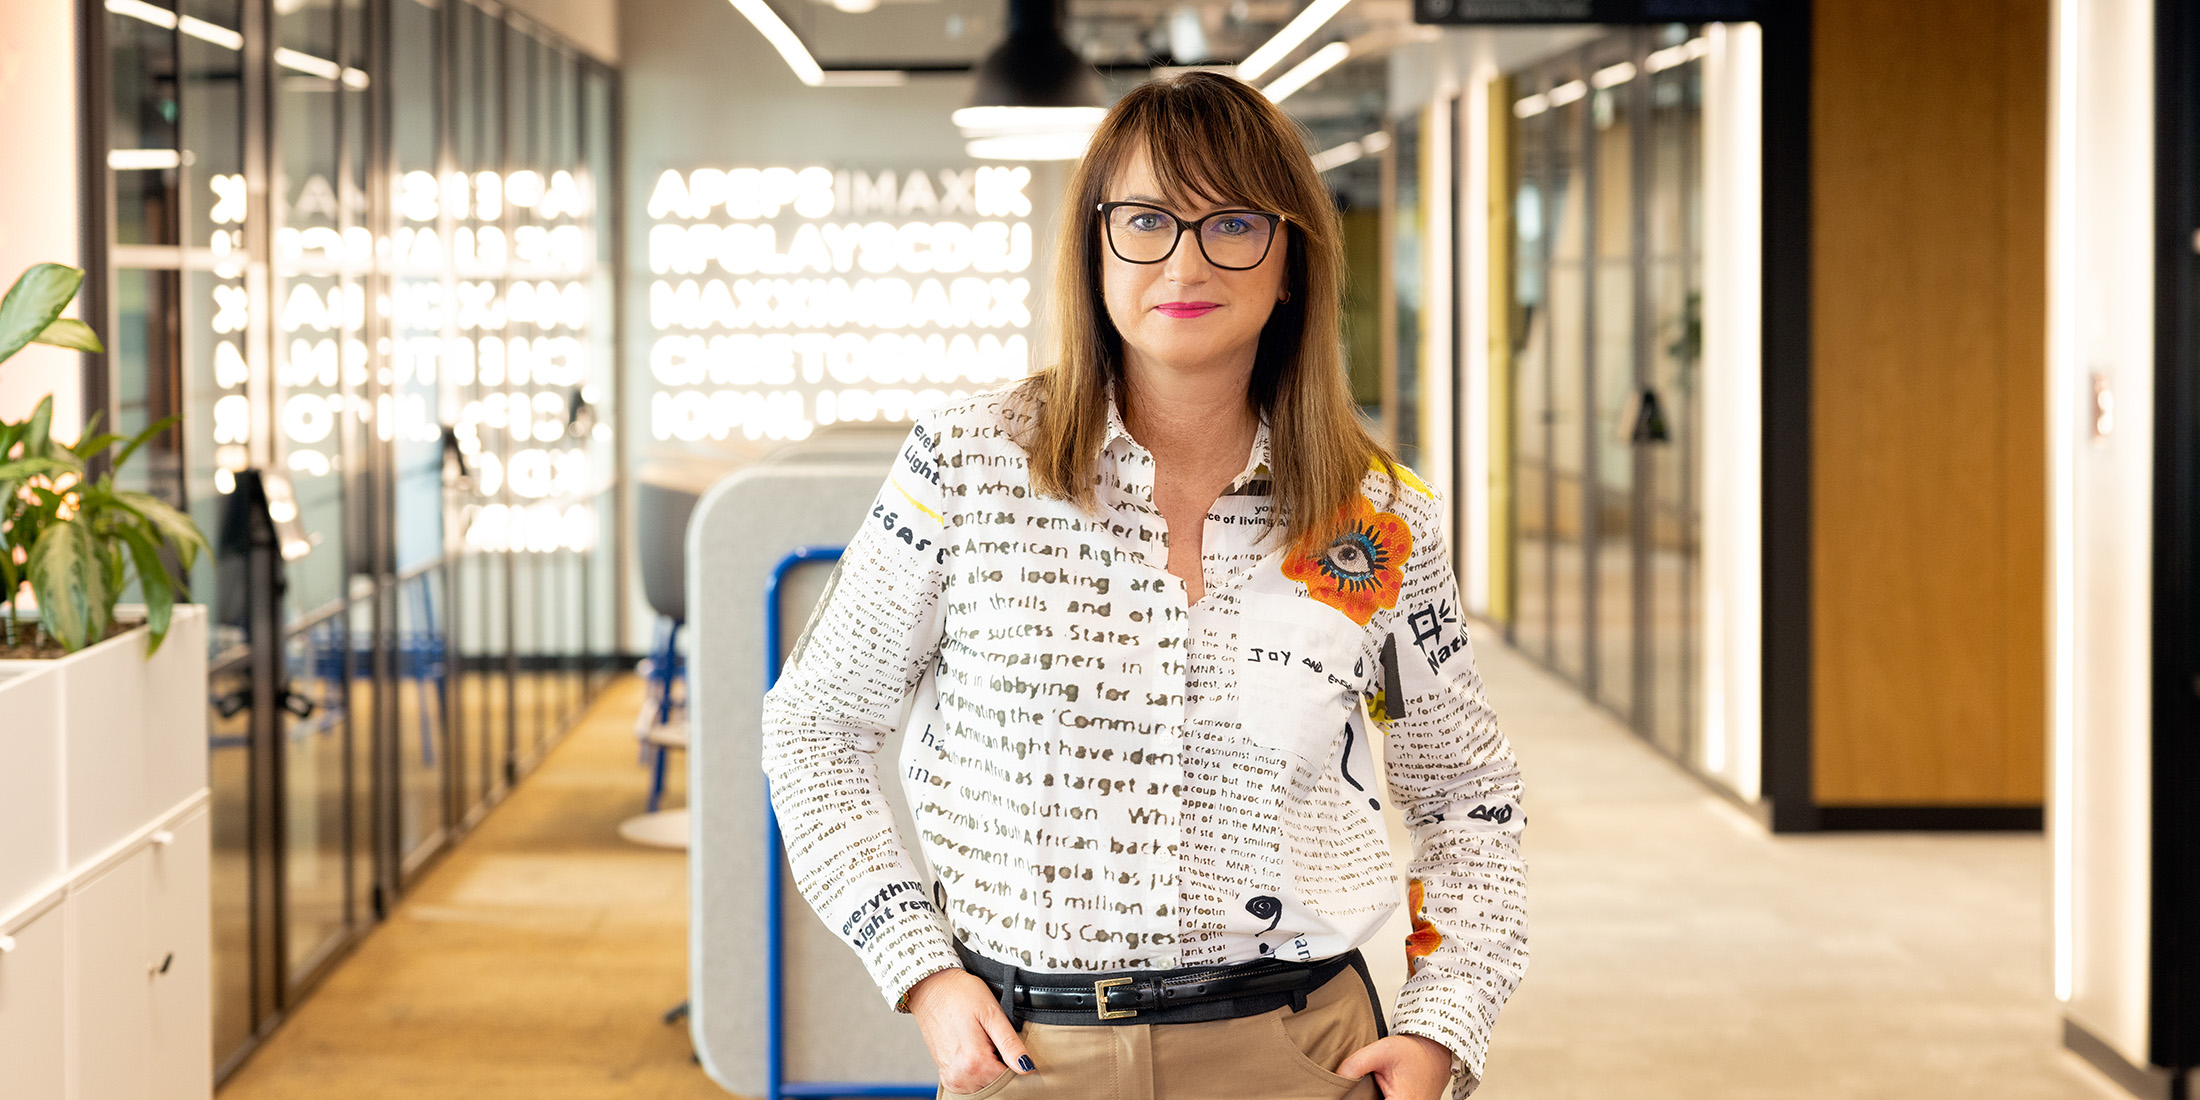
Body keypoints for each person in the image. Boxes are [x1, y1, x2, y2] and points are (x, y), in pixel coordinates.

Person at [762, 71, 1526, 1100]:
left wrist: (1444, 1020)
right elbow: (815, 726)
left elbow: (1466, 795)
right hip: (1038, 1052)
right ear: (1094, 244)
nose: (1185, 258)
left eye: (1235, 222)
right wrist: (923, 971)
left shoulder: (1378, 517)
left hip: (1305, 1046)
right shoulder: (968, 463)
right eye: (1147, 219)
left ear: (1291, 255)